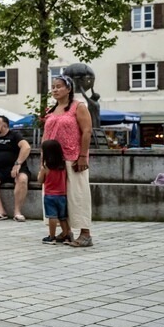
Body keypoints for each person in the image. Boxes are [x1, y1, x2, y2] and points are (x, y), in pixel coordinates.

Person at [42, 74, 94, 247]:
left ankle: (85, 233)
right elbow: (45, 135)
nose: (55, 89)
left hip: (73, 158)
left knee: (77, 195)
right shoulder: (51, 109)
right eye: (53, 86)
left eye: (59, 86)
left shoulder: (78, 107)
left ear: (69, 89)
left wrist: (83, 156)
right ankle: (65, 231)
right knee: (55, 195)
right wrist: (43, 159)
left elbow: (87, 131)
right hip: (52, 160)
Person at [0, 115, 31, 221]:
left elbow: (26, 147)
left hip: (17, 169)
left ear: (4, 126)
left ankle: (17, 212)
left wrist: (17, 164)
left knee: (22, 179)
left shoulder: (14, 135)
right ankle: (1, 211)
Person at [38, 139, 71, 244]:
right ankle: (66, 235)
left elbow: (40, 180)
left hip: (50, 195)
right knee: (62, 217)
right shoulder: (63, 166)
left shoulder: (46, 167)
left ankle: (51, 237)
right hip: (62, 195)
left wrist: (40, 172)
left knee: (52, 217)